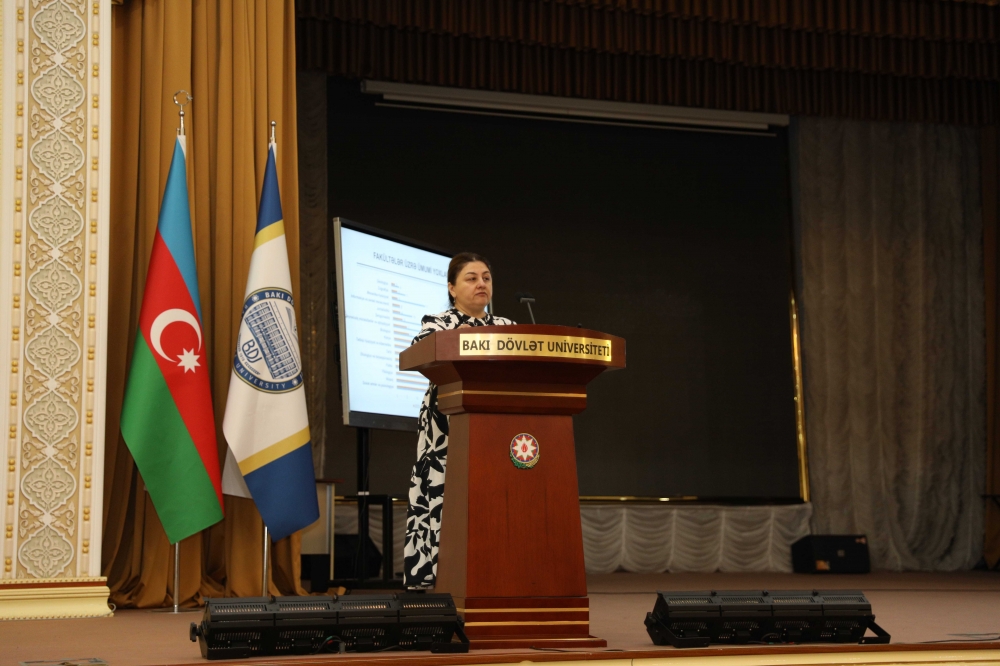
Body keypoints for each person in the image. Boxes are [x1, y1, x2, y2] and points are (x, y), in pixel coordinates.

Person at [403, 252, 516, 588]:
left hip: (497, 427)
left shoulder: (508, 327)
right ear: (452, 288)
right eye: (471, 278)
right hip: (447, 426)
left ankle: (495, 572)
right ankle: (437, 578)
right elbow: (421, 351)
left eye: (486, 278)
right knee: (444, 496)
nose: (481, 284)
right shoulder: (438, 323)